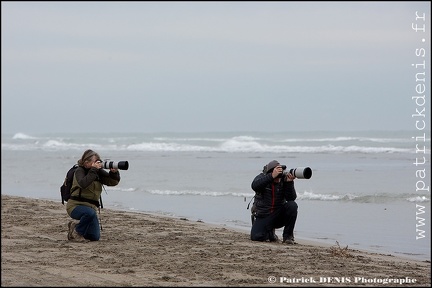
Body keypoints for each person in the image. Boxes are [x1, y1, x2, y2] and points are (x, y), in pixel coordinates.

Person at [66, 149, 121, 242]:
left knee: (94, 237)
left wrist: (114, 173)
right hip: (75, 206)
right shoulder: (79, 171)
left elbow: (112, 182)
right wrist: (94, 170)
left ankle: (76, 225)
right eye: (95, 161)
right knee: (89, 213)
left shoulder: (97, 172)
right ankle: (76, 232)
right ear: (86, 162)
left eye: (98, 161)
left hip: (91, 208)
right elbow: (83, 183)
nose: (98, 163)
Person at [250, 160, 298, 244]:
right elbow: (254, 186)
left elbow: (291, 198)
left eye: (280, 175)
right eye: (277, 176)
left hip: (278, 215)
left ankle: (288, 237)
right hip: (263, 215)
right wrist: (271, 177)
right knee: (257, 237)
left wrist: (289, 183)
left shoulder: (283, 180)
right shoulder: (262, 177)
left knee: (292, 205)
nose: (278, 179)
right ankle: (270, 233)